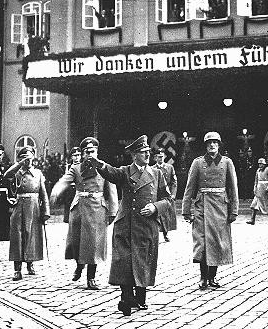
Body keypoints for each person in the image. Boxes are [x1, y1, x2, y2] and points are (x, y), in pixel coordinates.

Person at [88, 135, 170, 316]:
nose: (147, 154)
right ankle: (126, 297)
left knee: (143, 260)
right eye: (143, 152)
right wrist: (98, 163)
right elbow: (111, 172)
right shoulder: (125, 171)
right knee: (124, 261)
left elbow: (168, 200)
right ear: (134, 155)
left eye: (148, 151)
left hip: (146, 225)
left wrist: (155, 207)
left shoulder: (157, 174)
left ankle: (140, 297)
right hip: (126, 223)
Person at [50, 138, 118, 290]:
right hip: (80, 208)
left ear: (97, 152)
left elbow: (111, 191)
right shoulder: (77, 168)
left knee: (94, 244)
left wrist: (113, 210)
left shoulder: (103, 167)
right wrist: (56, 192)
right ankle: (79, 265)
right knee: (77, 242)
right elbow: (64, 181)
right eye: (87, 152)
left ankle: (91, 277)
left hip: (97, 209)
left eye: (92, 151)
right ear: (83, 154)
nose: (90, 155)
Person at [182, 131, 239, 290]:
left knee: (217, 242)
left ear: (219, 145)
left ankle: (212, 277)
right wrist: (186, 209)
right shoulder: (198, 163)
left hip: (220, 207)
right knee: (202, 243)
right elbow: (190, 188)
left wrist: (233, 210)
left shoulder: (227, 163)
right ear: (205, 146)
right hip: (202, 206)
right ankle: (203, 278)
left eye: (215, 143)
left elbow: (232, 188)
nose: (212, 145)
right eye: (209, 143)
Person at [3, 146, 49, 281]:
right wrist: (19, 164)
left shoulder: (38, 173)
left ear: (34, 157)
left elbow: (43, 193)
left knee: (32, 235)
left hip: (34, 207)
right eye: (24, 157)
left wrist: (46, 211)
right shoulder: (16, 172)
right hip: (19, 205)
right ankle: (17, 269)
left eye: (29, 157)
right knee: (18, 236)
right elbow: (6, 175)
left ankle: (30, 263)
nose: (27, 160)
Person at [153, 148, 178, 242]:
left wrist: (173, 194)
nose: (161, 158)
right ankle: (156, 234)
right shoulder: (152, 169)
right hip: (156, 195)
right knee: (157, 216)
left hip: (166, 195)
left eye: (162, 157)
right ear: (155, 158)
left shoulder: (169, 167)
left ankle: (166, 233)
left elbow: (174, 182)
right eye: (159, 157)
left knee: (166, 215)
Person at [247, 158, 268, 225]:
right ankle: (252, 220)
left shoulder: (267, 170)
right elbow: (256, 180)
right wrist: (255, 188)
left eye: (261, 164)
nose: (260, 165)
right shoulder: (258, 171)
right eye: (259, 164)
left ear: (264, 164)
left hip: (266, 190)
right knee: (254, 205)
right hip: (259, 190)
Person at [62, 146, 82, 224]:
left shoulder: (82, 167)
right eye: (75, 155)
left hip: (78, 190)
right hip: (69, 191)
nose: (77, 157)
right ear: (71, 157)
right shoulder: (68, 167)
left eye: (78, 155)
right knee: (69, 211)